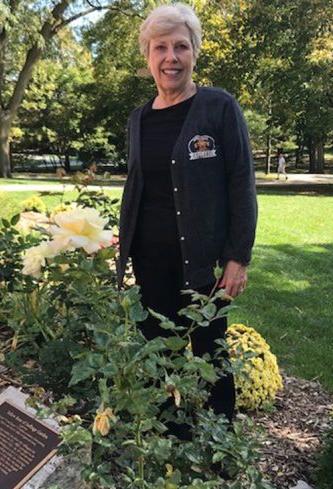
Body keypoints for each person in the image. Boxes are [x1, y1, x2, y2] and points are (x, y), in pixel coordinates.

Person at [116, 3, 257, 429]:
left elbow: (241, 183)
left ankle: (220, 442)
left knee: (211, 352)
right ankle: (171, 438)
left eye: (181, 46)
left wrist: (238, 256)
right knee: (159, 348)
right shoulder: (138, 119)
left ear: (194, 52)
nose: (170, 58)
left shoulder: (218, 108)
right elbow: (138, 186)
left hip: (204, 262)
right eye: (160, 47)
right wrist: (120, 244)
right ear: (148, 56)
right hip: (151, 259)